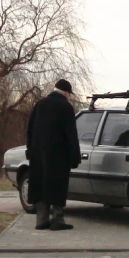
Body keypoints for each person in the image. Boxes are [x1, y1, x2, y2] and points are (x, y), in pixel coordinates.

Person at [26, 79, 81, 231]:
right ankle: (57, 220)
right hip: (58, 156)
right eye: (70, 94)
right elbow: (71, 134)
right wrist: (74, 155)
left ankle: (41, 220)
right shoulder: (65, 107)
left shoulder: (40, 104)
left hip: (38, 155)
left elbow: (30, 130)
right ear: (66, 92)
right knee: (57, 186)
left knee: (41, 185)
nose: (70, 97)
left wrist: (30, 150)